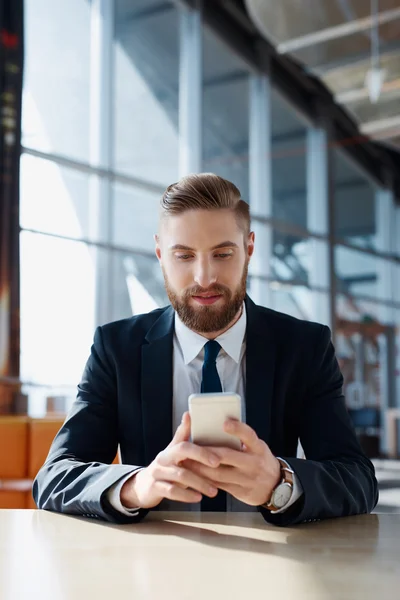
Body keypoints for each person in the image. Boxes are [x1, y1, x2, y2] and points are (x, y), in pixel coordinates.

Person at [33, 173, 378, 526]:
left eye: (223, 253)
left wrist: (280, 484)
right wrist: (137, 485)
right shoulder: (116, 348)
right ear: (159, 254)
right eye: (183, 255)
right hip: (150, 565)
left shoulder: (304, 347)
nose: (204, 278)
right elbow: (54, 478)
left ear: (250, 249)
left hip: (276, 566)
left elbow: (358, 480)